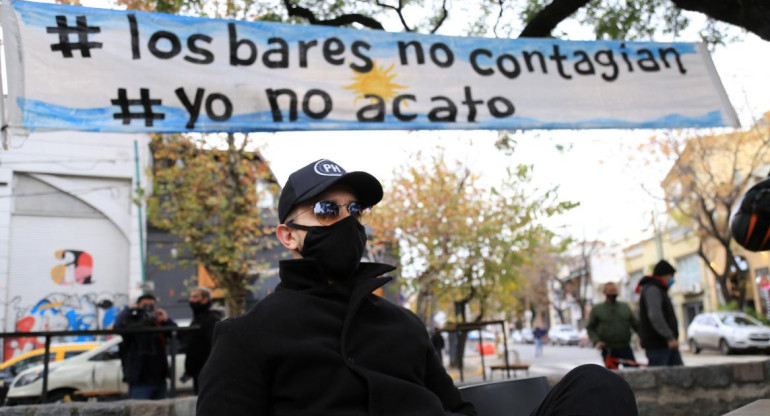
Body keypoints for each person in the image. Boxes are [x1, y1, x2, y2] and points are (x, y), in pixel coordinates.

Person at [197, 159, 638, 416]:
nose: (347, 220)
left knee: (597, 386)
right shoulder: (247, 337)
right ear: (288, 235)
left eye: (356, 210)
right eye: (327, 209)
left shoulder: (403, 325)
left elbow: (456, 410)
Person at [115, 293, 177, 399]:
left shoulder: (159, 322)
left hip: (159, 378)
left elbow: (176, 334)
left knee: (162, 411)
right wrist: (129, 310)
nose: (148, 308)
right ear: (138, 305)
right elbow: (118, 327)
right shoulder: (132, 321)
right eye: (145, 305)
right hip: (140, 378)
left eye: (151, 305)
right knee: (140, 410)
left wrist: (166, 320)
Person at [636, 259, 684, 366]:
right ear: (664, 275)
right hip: (659, 345)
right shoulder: (653, 289)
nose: (672, 279)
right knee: (663, 379)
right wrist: (669, 337)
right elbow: (655, 316)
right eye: (671, 276)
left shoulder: (658, 289)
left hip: (665, 345)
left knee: (680, 377)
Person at [586, 282, 640, 368]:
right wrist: (596, 340)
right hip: (608, 349)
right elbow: (590, 328)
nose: (613, 294)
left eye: (614, 291)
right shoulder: (598, 309)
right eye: (610, 291)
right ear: (604, 293)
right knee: (612, 376)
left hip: (625, 347)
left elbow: (636, 325)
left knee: (633, 371)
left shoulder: (624, 307)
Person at [182, 287, 222, 394]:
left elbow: (213, 344)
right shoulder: (198, 318)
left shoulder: (211, 318)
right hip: (199, 371)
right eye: (191, 297)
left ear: (205, 299)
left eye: (195, 297)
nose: (191, 300)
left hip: (206, 371)